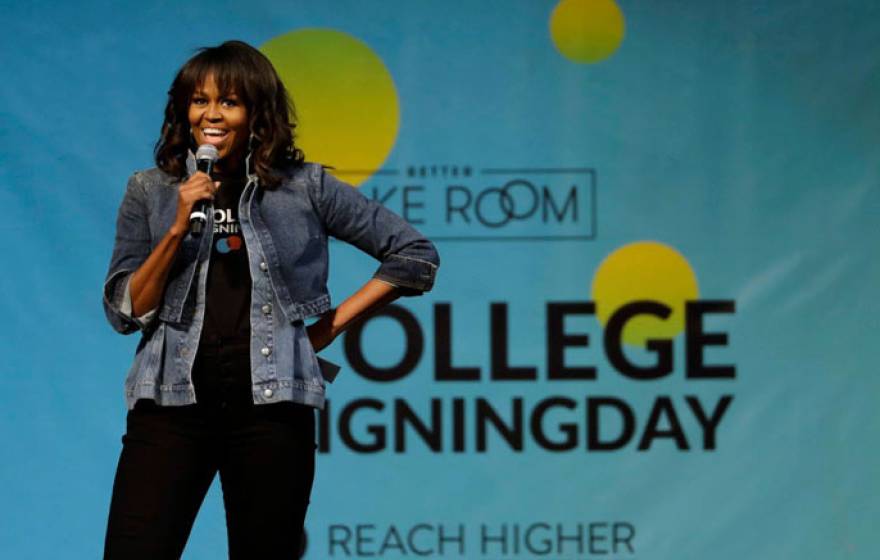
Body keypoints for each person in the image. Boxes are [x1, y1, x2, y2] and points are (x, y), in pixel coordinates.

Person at [101, 40, 439, 559]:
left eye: (229, 101)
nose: (210, 115)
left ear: (257, 112)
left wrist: (325, 330)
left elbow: (414, 255)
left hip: (271, 411)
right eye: (199, 100)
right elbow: (125, 311)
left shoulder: (304, 188)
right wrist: (174, 230)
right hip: (169, 407)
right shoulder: (151, 190)